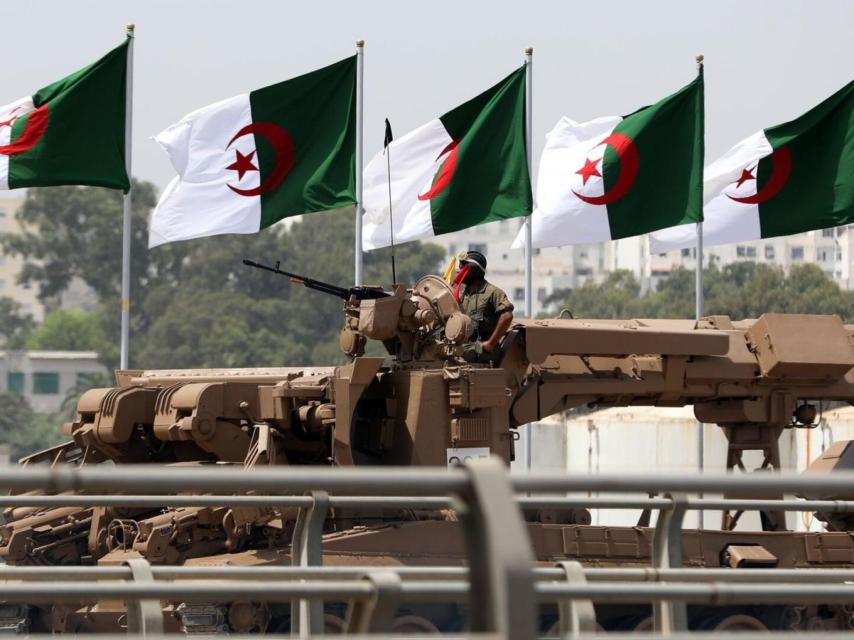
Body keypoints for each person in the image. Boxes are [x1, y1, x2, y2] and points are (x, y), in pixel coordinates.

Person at [456, 250, 514, 362]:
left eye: (463, 268)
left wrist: (490, 343)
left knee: (457, 352)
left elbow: (507, 316)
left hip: (482, 348)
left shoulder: (493, 292)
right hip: (464, 346)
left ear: (474, 270)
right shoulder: (461, 293)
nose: (459, 271)